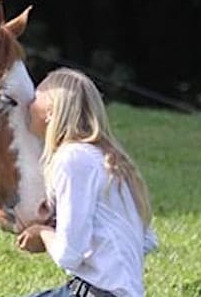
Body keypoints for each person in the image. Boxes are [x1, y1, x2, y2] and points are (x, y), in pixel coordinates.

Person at [16, 68, 158, 297]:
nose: (28, 104)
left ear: (51, 110)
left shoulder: (73, 158)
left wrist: (42, 234)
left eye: (36, 97)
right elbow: (148, 240)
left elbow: (69, 254)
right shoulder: (107, 159)